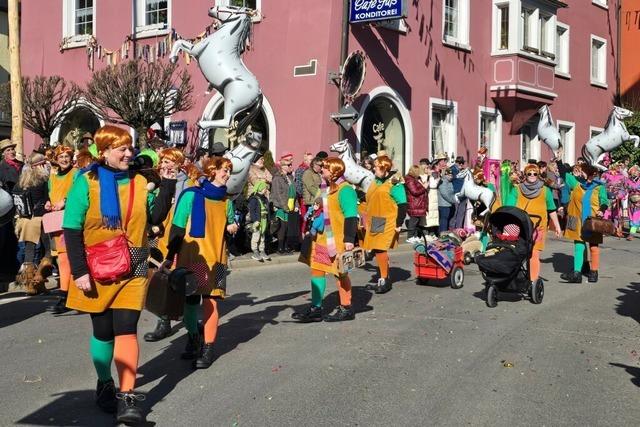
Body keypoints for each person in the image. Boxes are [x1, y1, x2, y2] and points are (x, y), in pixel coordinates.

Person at [62, 125, 172, 424]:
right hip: (95, 265)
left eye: (129, 148)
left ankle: (127, 397)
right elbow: (71, 228)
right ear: (103, 152)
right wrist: (80, 270)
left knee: (126, 327)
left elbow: (156, 216)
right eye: (121, 148)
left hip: (133, 264)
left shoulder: (139, 181)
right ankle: (104, 382)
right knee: (103, 331)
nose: (128, 153)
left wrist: (169, 185)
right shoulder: (86, 182)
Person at [164, 157, 238, 369]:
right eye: (224, 170)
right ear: (212, 171)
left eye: (228, 171)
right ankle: (194, 335)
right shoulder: (190, 195)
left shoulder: (227, 201)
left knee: (211, 300)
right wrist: (170, 257)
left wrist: (232, 227)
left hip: (217, 259)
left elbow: (230, 226)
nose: (227, 174)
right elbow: (177, 230)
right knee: (189, 303)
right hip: (193, 257)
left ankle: (208, 346)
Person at [292, 157, 359, 322]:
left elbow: (351, 216)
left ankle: (346, 307)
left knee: (340, 274)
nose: (322, 170)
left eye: (325, 168)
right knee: (317, 271)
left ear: (334, 172)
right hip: (322, 239)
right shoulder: (325, 188)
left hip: (338, 240)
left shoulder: (345, 190)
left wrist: (349, 239)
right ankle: (316, 308)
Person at [143, 147, 189, 343]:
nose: (165, 165)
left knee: (182, 278)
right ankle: (164, 322)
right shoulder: (156, 183)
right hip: (160, 236)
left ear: (179, 164)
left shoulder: (188, 183)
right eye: (163, 161)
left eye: (170, 161)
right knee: (162, 277)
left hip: (182, 236)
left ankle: (191, 322)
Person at [503, 163, 561, 283]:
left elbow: (551, 210)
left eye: (535, 173)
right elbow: (508, 207)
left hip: (538, 228)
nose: (532, 175)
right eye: (529, 173)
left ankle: (533, 281)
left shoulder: (545, 191)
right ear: (525, 175)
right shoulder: (517, 189)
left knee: (534, 253)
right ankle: (515, 276)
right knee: (516, 252)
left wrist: (557, 226)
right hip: (519, 227)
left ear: (538, 175)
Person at [362, 155, 407, 294]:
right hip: (376, 219)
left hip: (388, 220)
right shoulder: (376, 180)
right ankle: (384, 276)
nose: (373, 168)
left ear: (384, 168)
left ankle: (384, 279)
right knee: (377, 248)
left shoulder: (394, 182)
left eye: (376, 167)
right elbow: (371, 196)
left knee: (381, 248)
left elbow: (402, 204)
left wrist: (399, 223)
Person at [560, 164, 608, 283]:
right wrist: (558, 159)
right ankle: (577, 273)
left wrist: (601, 210)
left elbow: (604, 201)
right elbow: (563, 174)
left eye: (582, 172)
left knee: (593, 246)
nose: (580, 173)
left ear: (589, 174)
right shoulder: (577, 184)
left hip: (592, 220)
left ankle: (594, 272)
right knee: (579, 245)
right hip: (577, 220)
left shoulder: (599, 187)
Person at [46, 145, 79, 313]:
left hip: (72, 221)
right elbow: (51, 194)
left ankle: (65, 296)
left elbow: (78, 193)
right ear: (56, 159)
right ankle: (68, 296)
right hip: (57, 222)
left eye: (67, 156)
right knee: (62, 258)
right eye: (61, 157)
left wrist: (64, 201)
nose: (64, 159)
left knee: (67, 259)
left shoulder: (76, 174)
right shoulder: (52, 177)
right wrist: (49, 203)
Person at [13, 152, 51, 295]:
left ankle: (31, 285)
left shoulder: (23, 179)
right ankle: (39, 279)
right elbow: (48, 198)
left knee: (29, 252)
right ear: (40, 165)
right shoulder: (43, 179)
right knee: (48, 250)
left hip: (26, 220)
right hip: (41, 218)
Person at [271, 153, 297, 254]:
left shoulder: (290, 178)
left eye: (291, 165)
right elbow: (278, 194)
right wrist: (285, 207)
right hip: (281, 206)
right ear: (282, 167)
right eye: (288, 165)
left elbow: (294, 193)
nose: (291, 166)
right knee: (283, 227)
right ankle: (280, 247)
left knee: (288, 228)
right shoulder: (277, 178)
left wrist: (296, 206)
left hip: (290, 205)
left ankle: (286, 246)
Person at [247, 179, 271, 261]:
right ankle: (255, 251)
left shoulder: (265, 198)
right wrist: (255, 220)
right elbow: (252, 211)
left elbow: (267, 210)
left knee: (262, 237)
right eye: (265, 188)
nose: (266, 190)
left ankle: (262, 251)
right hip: (257, 221)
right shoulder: (254, 199)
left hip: (264, 221)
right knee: (256, 236)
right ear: (260, 189)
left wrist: (269, 219)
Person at [404, 165, 427, 243]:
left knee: (416, 220)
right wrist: (424, 187)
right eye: (418, 171)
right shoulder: (410, 180)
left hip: (417, 203)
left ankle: (415, 236)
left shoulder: (413, 179)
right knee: (413, 220)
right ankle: (410, 236)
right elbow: (415, 191)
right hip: (414, 203)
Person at [437, 167, 456, 234]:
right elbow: (445, 194)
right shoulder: (443, 182)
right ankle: (442, 234)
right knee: (443, 220)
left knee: (447, 220)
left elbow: (451, 192)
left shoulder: (449, 182)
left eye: (451, 175)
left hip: (449, 204)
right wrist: (453, 200)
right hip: (443, 204)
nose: (451, 177)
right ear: (445, 175)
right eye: (449, 175)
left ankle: (445, 233)